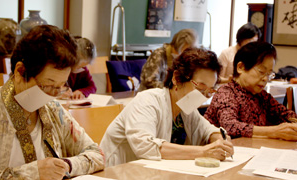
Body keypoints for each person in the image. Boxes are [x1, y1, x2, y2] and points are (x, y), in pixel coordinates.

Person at [0, 25, 104, 179]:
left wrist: (66, 165)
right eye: (47, 85)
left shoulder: (53, 110)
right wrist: (32, 173)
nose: (52, 96)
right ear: (20, 72)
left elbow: (97, 154)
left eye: (60, 87)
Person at [100, 47, 234, 167]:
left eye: (209, 91)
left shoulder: (186, 110)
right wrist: (204, 152)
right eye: (200, 88)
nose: (203, 96)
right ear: (176, 78)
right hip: (115, 172)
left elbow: (208, 130)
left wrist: (219, 140)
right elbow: (145, 146)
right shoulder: (148, 101)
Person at [204, 42, 297, 141]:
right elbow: (230, 126)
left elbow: (287, 114)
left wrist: (294, 125)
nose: (265, 79)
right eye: (261, 72)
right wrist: (273, 131)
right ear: (240, 67)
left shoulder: (262, 96)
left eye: (269, 74)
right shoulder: (226, 92)